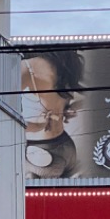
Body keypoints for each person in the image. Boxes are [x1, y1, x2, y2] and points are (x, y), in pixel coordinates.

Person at [21, 49, 84, 179]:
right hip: (67, 146)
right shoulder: (70, 63)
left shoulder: (28, 66)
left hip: (39, 152)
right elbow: (94, 95)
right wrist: (68, 108)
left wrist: (35, 126)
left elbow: (1, 113)